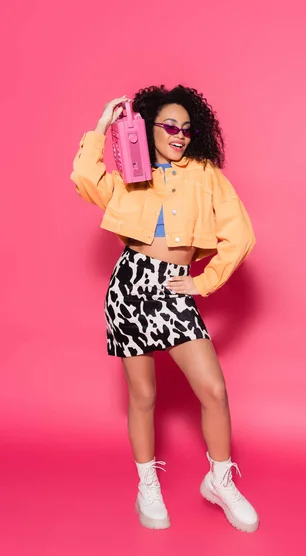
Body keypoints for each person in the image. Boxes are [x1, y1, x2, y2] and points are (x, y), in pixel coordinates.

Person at [71, 85, 259, 533]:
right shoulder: (131, 174)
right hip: (130, 285)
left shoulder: (205, 173)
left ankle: (219, 480)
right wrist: (103, 125)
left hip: (173, 291)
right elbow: (83, 176)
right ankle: (146, 485)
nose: (179, 135)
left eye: (187, 129)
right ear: (147, 126)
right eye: (169, 126)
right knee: (144, 396)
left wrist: (201, 282)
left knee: (212, 389)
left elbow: (241, 236)